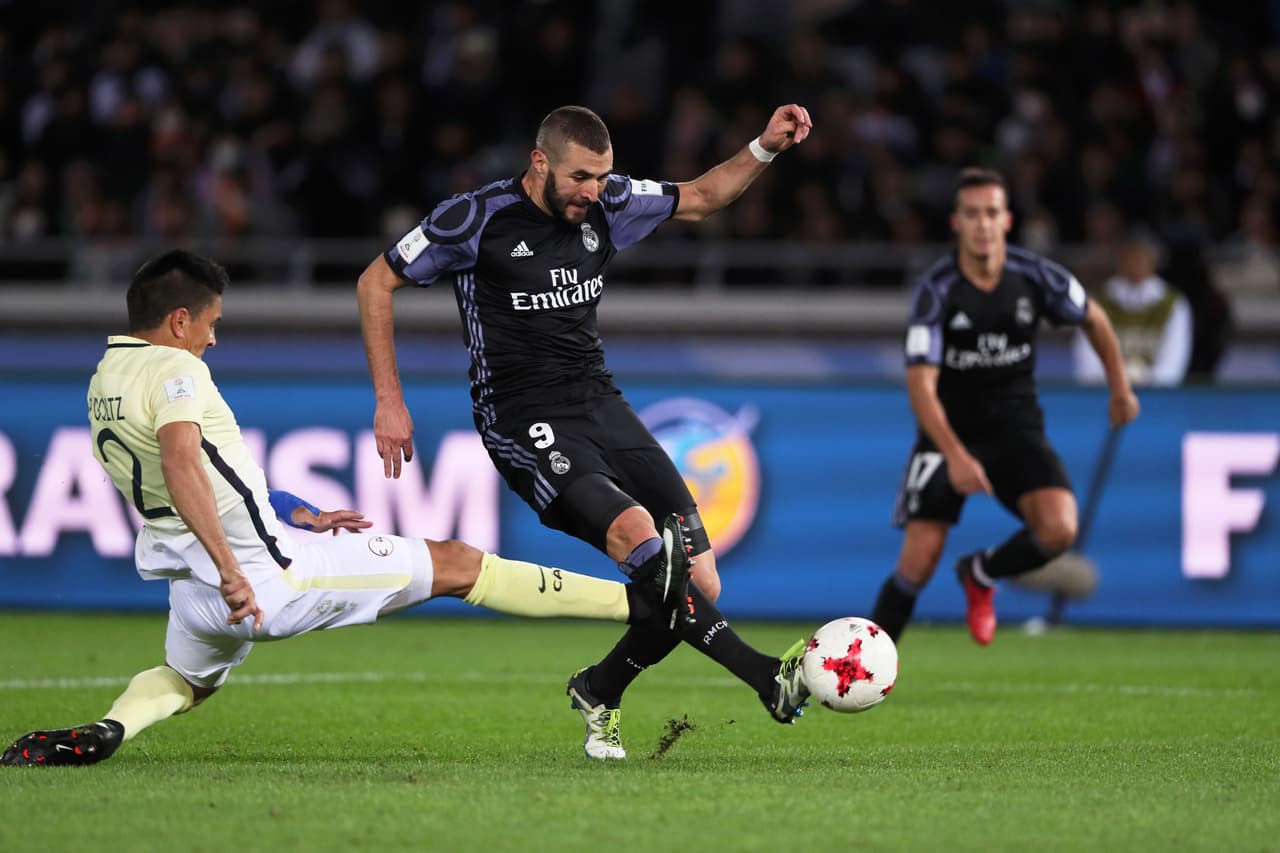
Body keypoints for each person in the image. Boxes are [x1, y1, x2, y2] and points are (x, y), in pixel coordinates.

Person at [1, 250, 688, 768]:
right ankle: (645, 603)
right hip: (260, 578)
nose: (213, 339)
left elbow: (202, 473)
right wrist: (235, 570)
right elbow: (182, 463)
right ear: (180, 320)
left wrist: (297, 511)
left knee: (187, 680)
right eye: (211, 324)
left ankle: (110, 728)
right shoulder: (179, 369)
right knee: (457, 563)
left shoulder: (107, 377)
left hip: (194, 588)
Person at [357, 103, 814, 759]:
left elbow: (704, 196)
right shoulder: (473, 219)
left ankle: (600, 688)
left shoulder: (611, 202)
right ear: (539, 162)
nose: (593, 192)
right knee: (639, 539)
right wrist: (389, 400)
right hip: (522, 417)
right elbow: (375, 282)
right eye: (580, 178)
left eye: (601, 177)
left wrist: (765, 146)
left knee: (700, 584)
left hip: (600, 402)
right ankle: (766, 676)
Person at [870, 168, 1140, 646]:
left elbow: (1095, 319)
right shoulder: (937, 291)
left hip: (1016, 427)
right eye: (972, 214)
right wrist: (956, 455)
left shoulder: (1035, 276)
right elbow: (920, 386)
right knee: (918, 561)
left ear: (1007, 220)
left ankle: (981, 572)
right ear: (956, 222)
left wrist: (1120, 389)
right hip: (947, 430)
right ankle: (863, 665)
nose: (982, 224)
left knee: (1059, 529)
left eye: (991, 213)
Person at [1072, 237, 1192, 387]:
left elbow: (1174, 361)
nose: (1134, 263)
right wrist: (1117, 381)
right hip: (1106, 391)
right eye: (1130, 257)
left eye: (1140, 258)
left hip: (1157, 393)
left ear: (1153, 261)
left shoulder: (1173, 304)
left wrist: (1147, 381)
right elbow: (1087, 362)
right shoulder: (1098, 302)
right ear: (1119, 260)